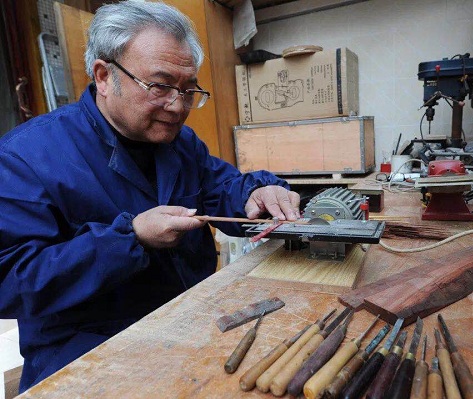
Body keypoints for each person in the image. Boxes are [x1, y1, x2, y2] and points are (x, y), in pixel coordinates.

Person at [0, 1, 300, 392]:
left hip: (188, 323)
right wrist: (130, 239)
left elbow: (219, 186)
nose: (177, 106)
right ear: (105, 77)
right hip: (86, 354)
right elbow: (9, 281)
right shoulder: (25, 157)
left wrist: (256, 193)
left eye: (189, 88)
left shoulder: (179, 142)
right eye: (159, 86)